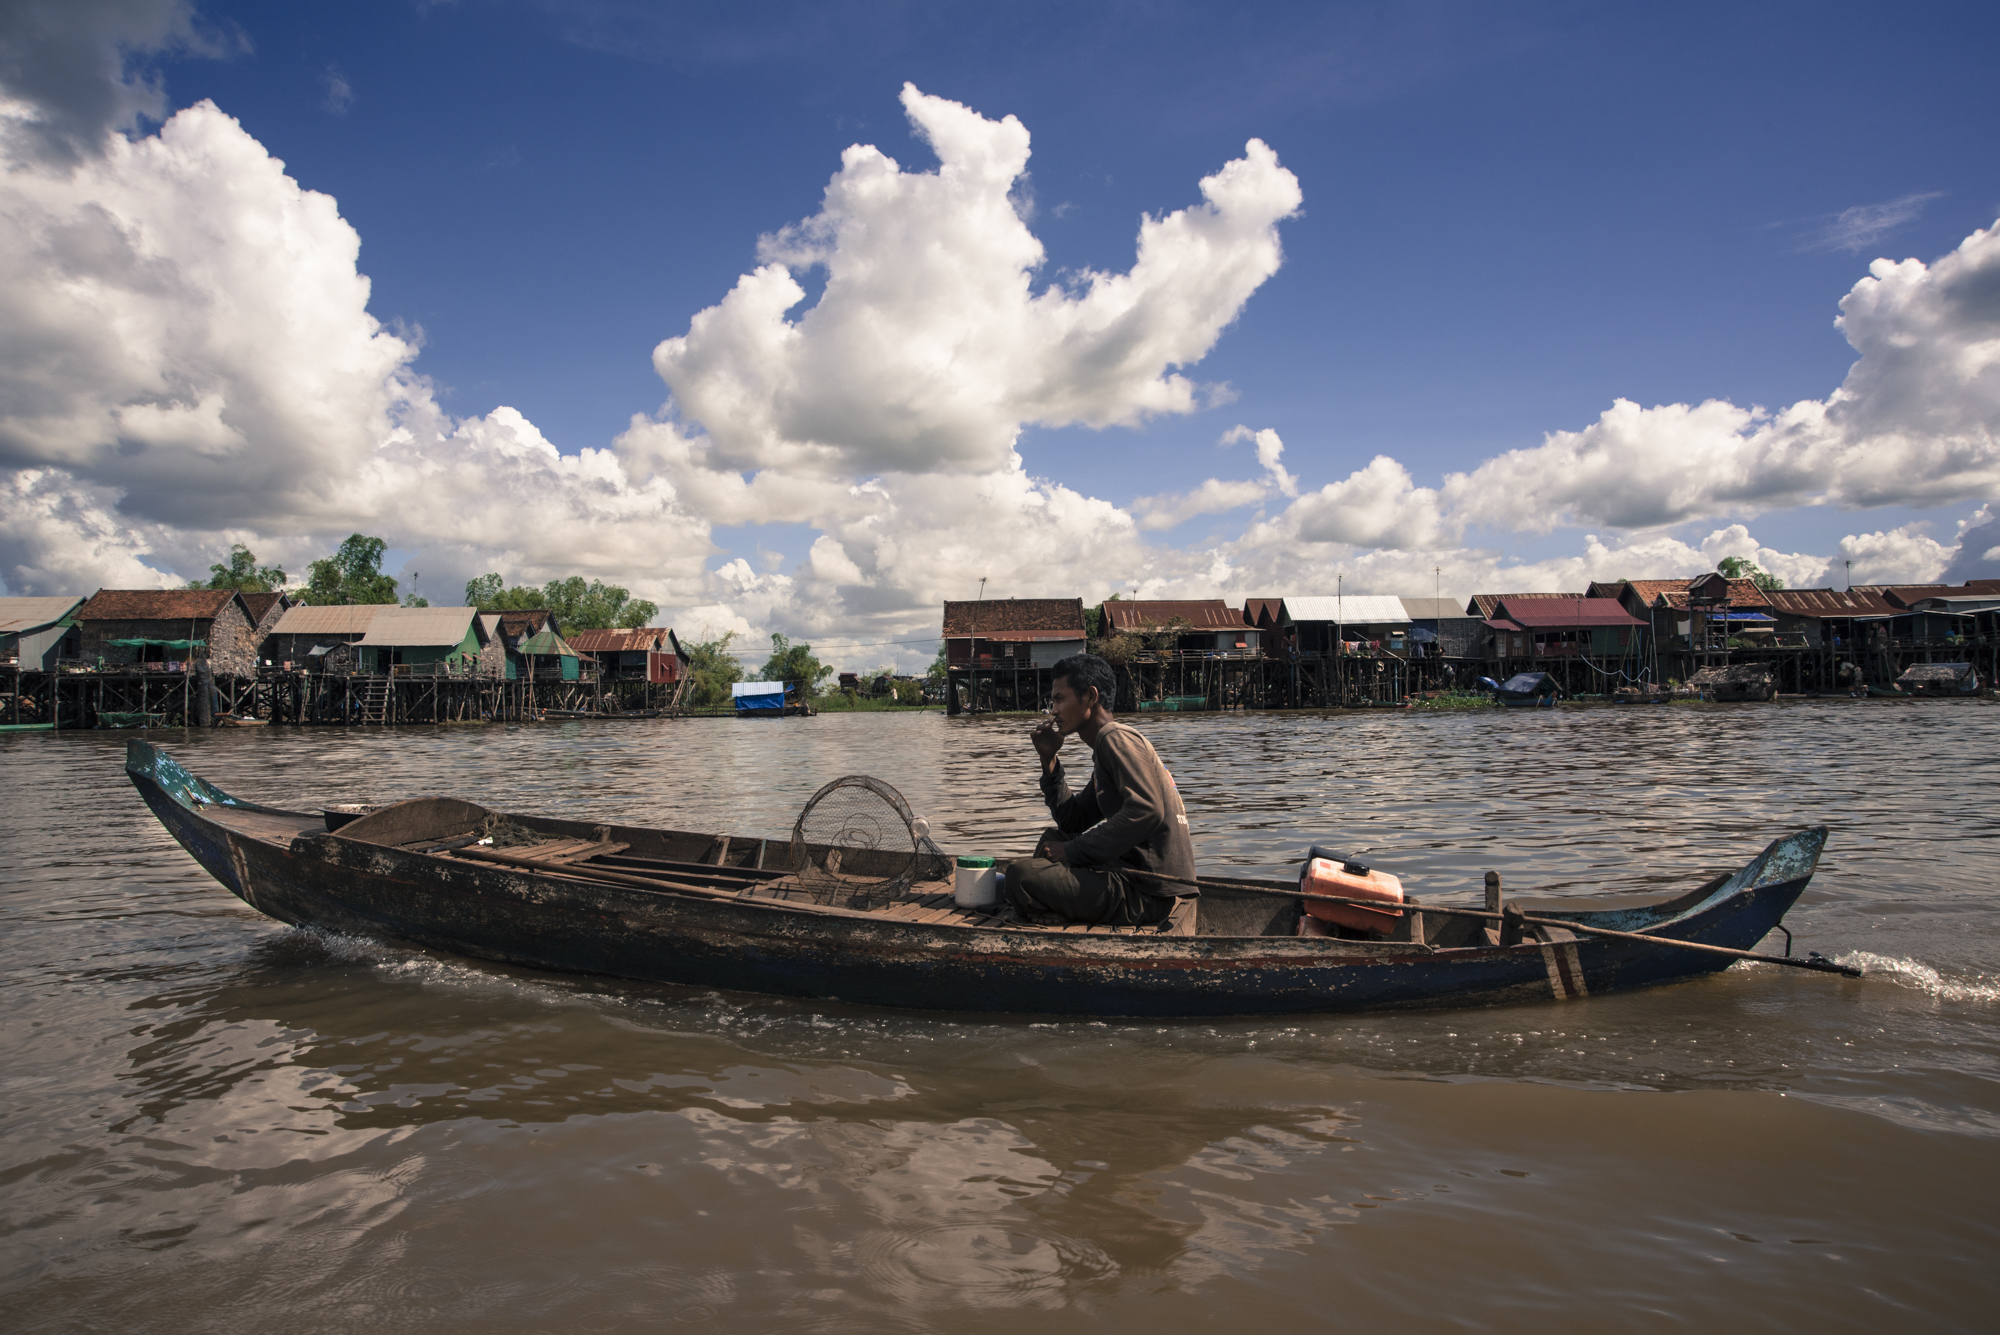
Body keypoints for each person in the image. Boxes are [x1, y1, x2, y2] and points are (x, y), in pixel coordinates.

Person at [1003, 653, 1197, 926]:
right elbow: (1074, 819)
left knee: (1019, 875)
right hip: (1135, 881)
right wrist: (1049, 761)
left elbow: (1146, 810)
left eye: (1060, 698)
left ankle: (1051, 908)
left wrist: (1071, 852)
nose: (1053, 710)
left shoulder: (1113, 737)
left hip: (1146, 892)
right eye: (1053, 701)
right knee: (1054, 836)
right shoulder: (1109, 747)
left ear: (1091, 697)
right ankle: (1053, 906)